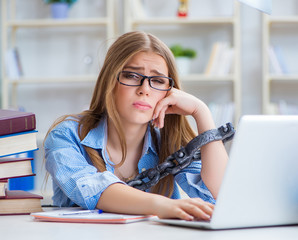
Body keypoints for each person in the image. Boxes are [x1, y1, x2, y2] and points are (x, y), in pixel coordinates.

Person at [44, 31, 228, 221]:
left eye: (157, 81)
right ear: (109, 80)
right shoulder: (66, 136)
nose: (144, 89)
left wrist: (201, 112)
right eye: (131, 76)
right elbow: (92, 190)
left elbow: (221, 197)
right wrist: (164, 205)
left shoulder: (169, 142)